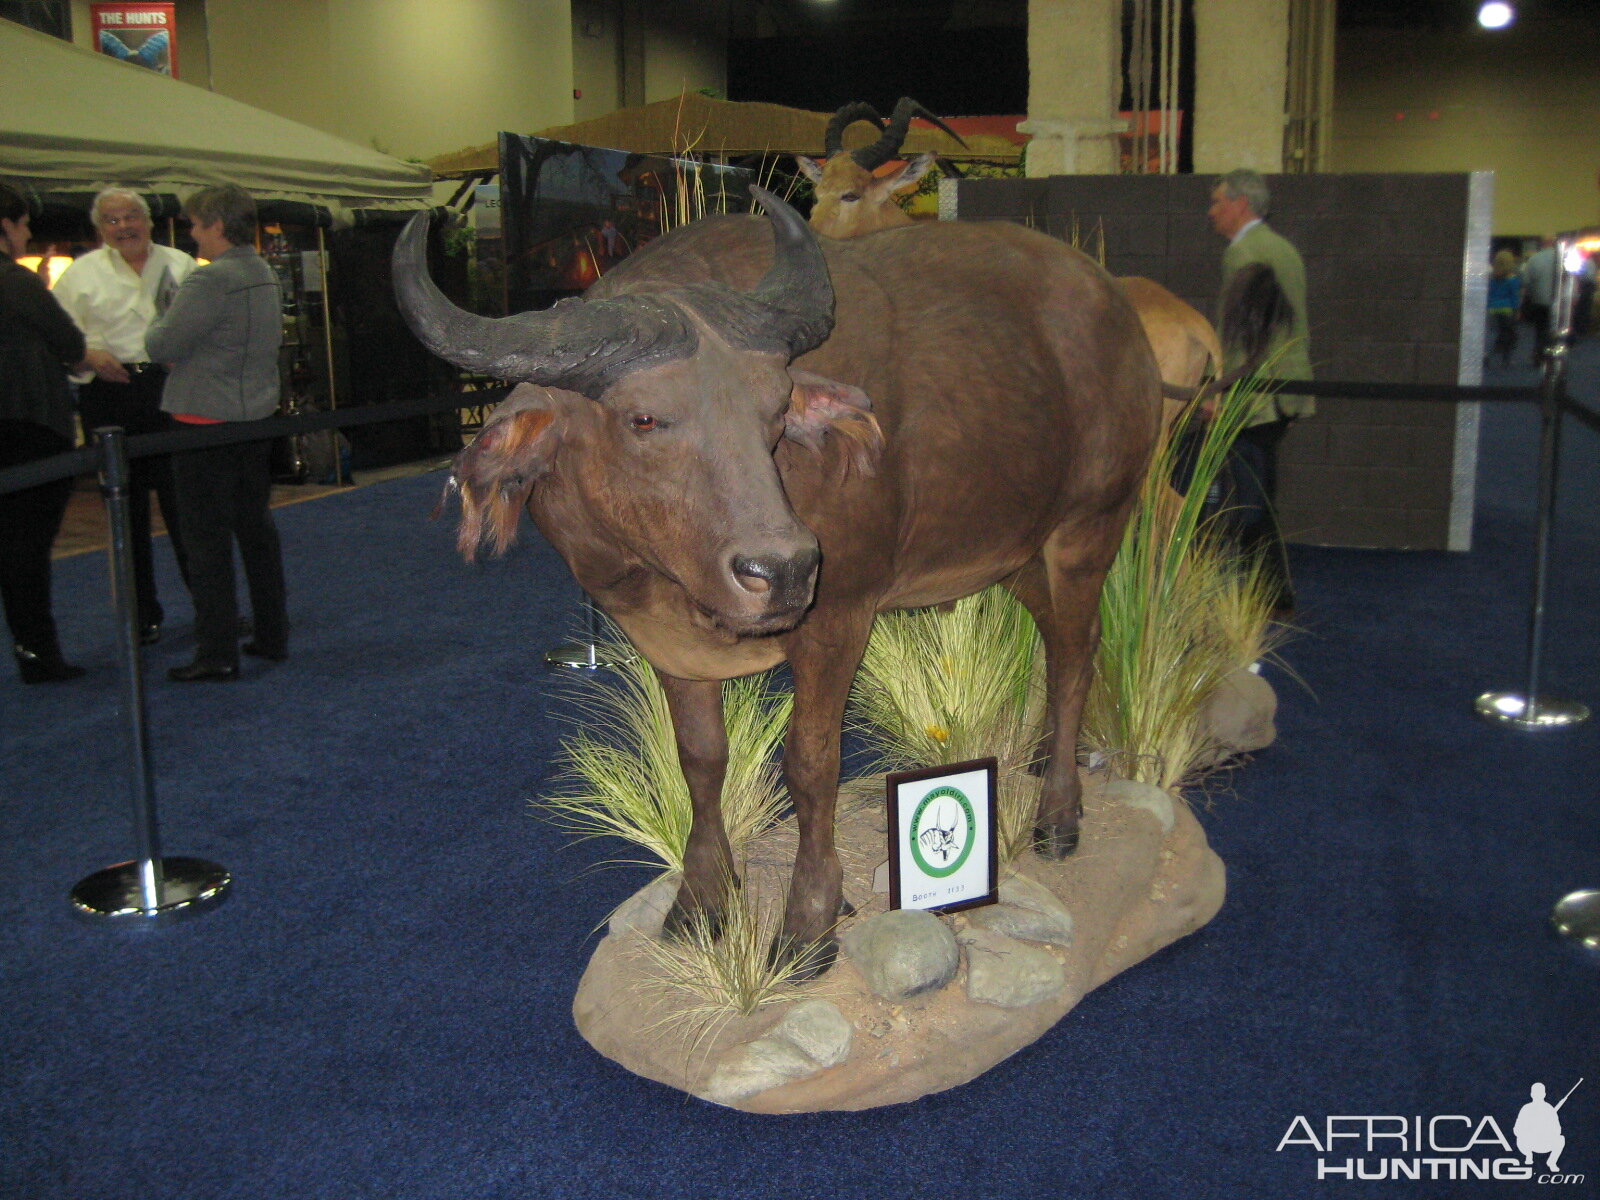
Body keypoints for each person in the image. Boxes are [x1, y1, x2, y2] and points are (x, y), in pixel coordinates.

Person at [145, 185, 288, 682]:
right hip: (254, 420)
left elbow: (162, 341)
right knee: (255, 530)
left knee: (206, 542)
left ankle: (217, 651)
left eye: (196, 225)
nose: (192, 234)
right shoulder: (262, 273)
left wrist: (161, 324)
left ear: (217, 226)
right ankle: (272, 634)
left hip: (204, 424)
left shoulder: (209, 283)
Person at [52, 187, 195, 644]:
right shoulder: (79, 274)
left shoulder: (181, 265)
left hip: (171, 389)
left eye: (132, 217)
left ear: (150, 221)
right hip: (110, 395)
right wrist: (89, 355)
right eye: (112, 221)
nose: (124, 227)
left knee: (187, 507)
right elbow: (60, 340)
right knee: (124, 513)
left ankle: (213, 609)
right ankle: (140, 618)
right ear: (100, 229)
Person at [1206, 167, 1313, 617]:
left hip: (1257, 396)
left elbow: (1240, 335)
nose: (1212, 213)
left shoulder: (1245, 253)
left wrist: (1221, 394)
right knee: (1259, 493)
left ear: (1240, 204)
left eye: (1216, 202)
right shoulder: (1282, 248)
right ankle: (1272, 593)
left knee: (1250, 498)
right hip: (1286, 387)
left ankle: (1269, 597)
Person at [0, 181, 90, 683]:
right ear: (6, 227)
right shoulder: (15, 282)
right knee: (25, 549)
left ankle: (32, 648)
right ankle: (37, 651)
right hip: (28, 428)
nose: (28, 233)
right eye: (23, 224)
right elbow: (69, 341)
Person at [1521, 237, 1558, 365]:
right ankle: (1552, 355)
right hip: (1557, 302)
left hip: (1538, 300)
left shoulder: (1533, 259)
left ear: (1542, 244)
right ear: (1554, 243)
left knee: (1540, 329)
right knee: (1554, 329)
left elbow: (1526, 281)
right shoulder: (1561, 258)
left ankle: (1539, 354)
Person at [1486, 248, 1522, 368]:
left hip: (1493, 308)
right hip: (1507, 309)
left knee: (1494, 333)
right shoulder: (1512, 279)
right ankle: (1506, 360)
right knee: (1507, 334)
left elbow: (1489, 294)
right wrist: (1517, 311)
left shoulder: (1491, 279)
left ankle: (1488, 356)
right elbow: (1514, 297)